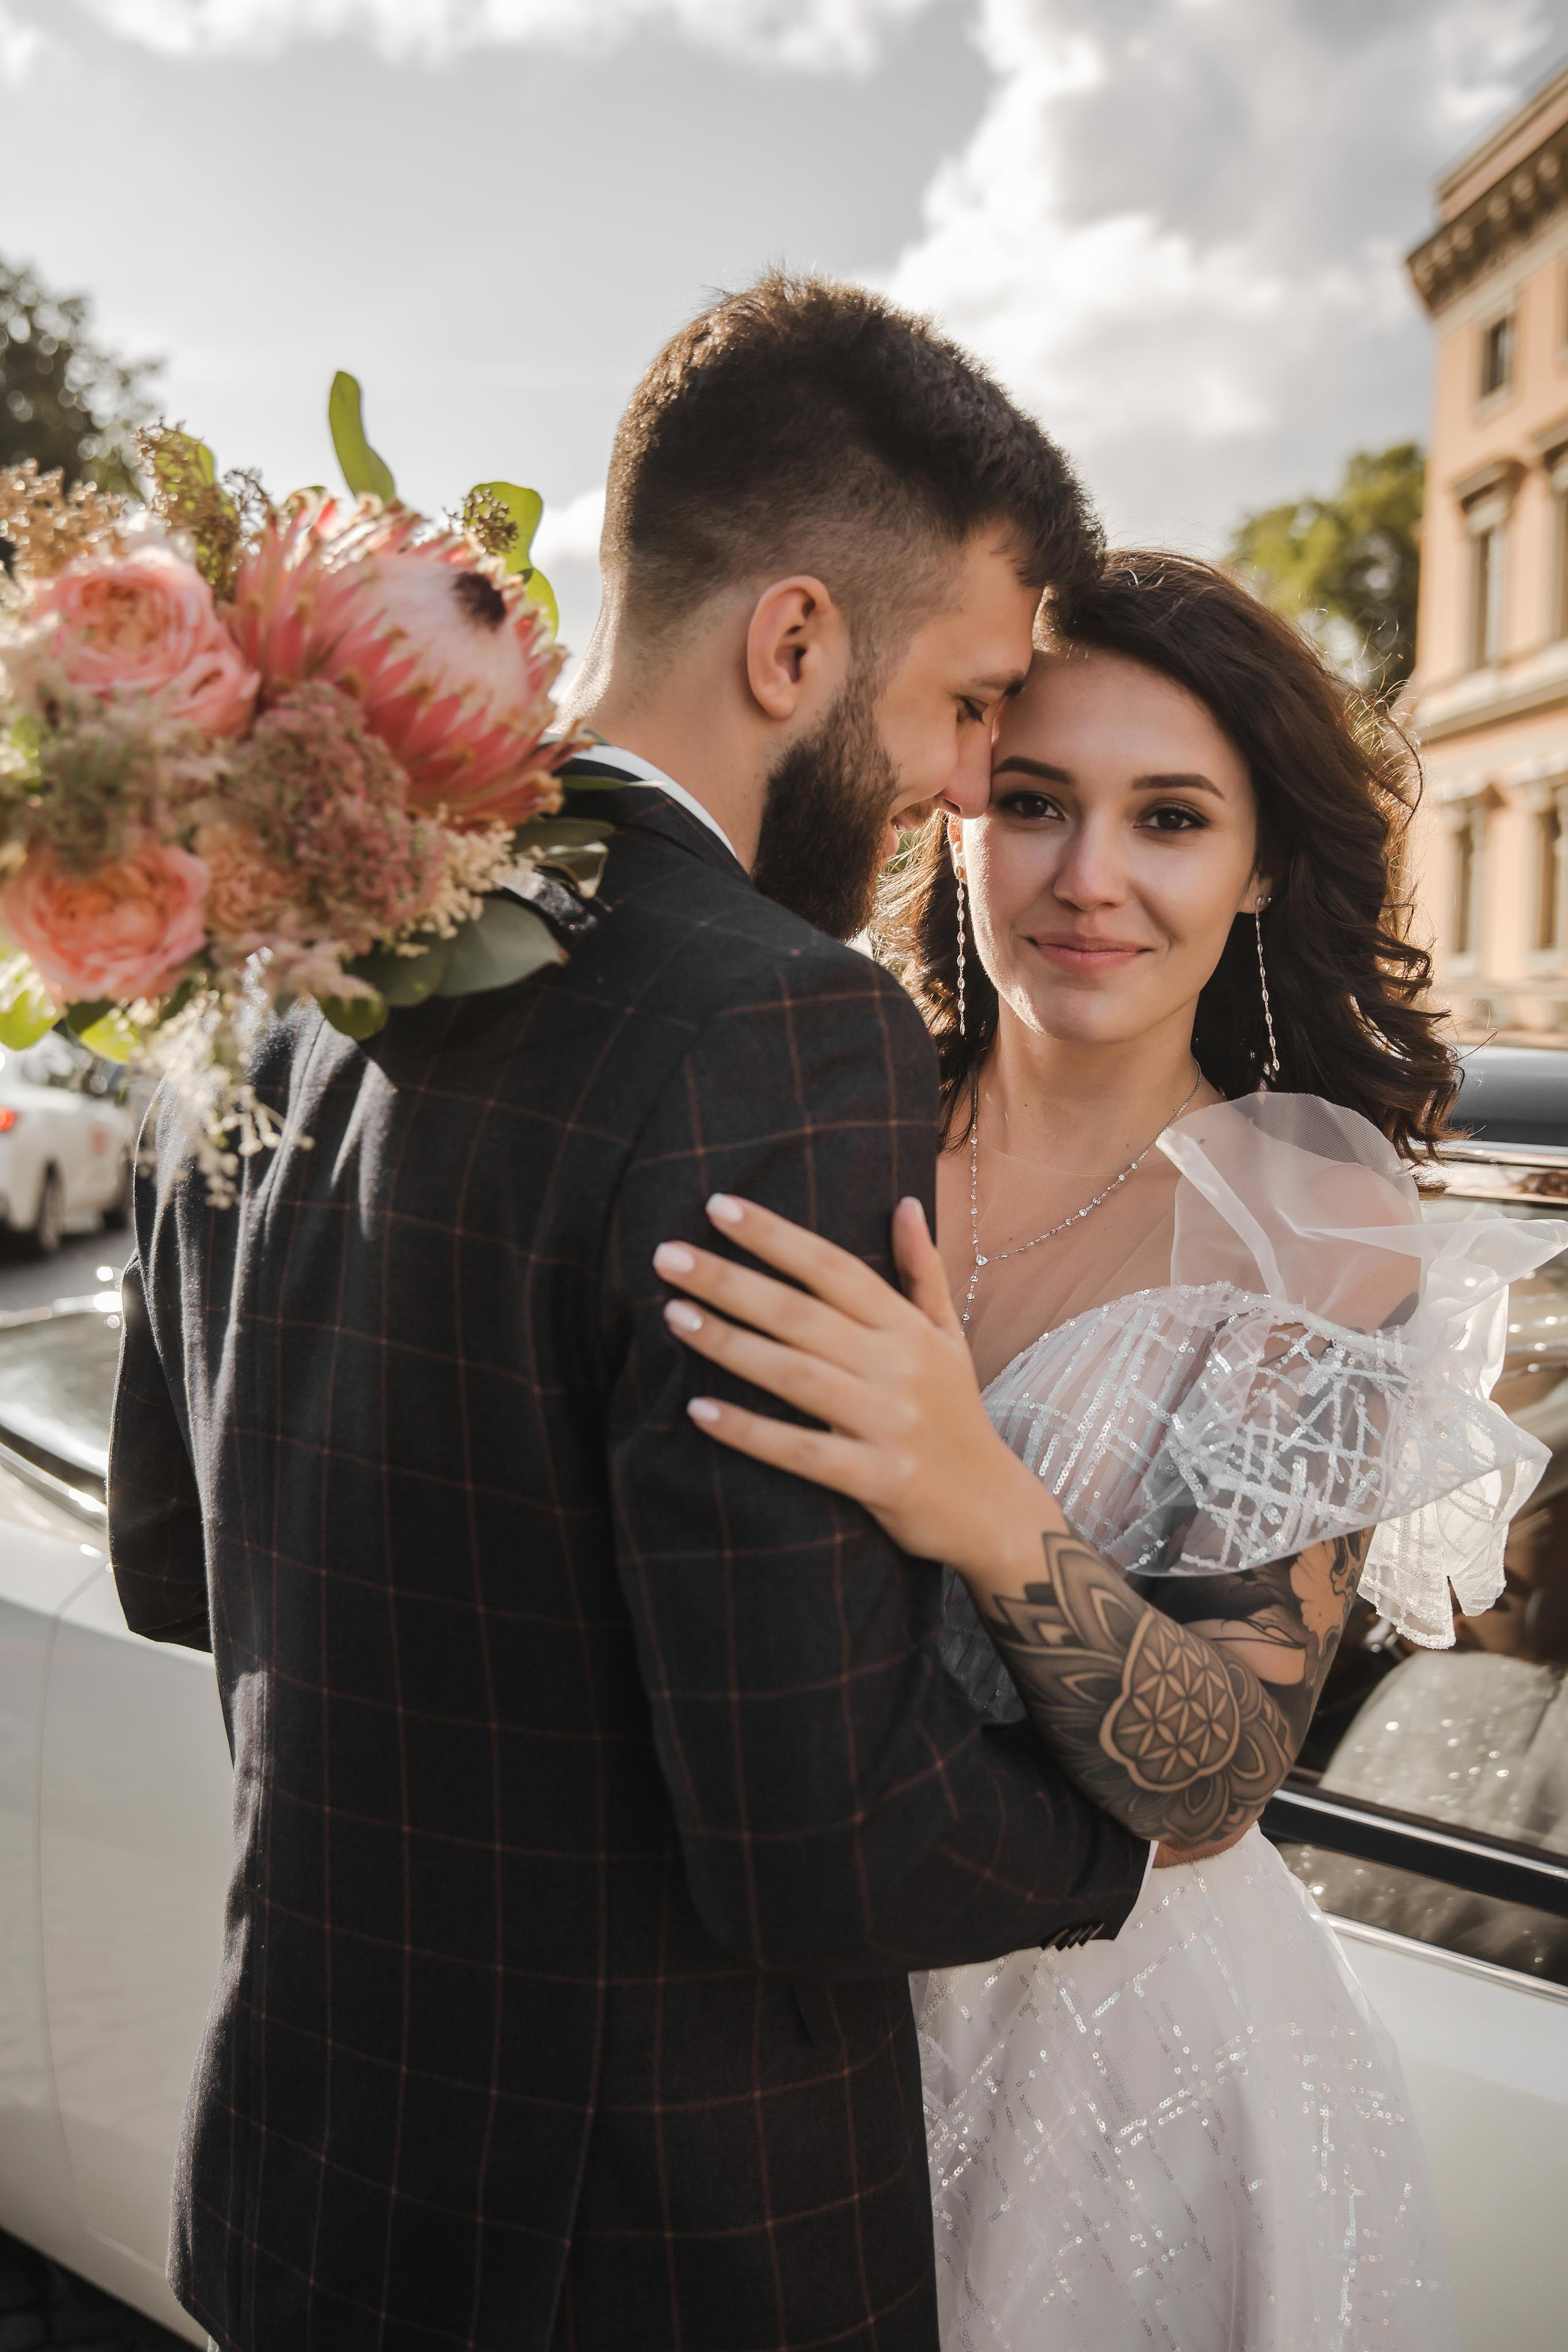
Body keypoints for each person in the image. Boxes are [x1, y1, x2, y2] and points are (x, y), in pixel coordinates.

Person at [106, 274, 1167, 2352]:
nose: (973, 788)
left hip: (307, 2197)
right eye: (967, 705)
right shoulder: (778, 1024)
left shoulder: (276, 941)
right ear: (795, 641)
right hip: (647, 2264)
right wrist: (1129, 1840)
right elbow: (822, 1838)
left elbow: (174, 1558)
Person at [655, 551, 1566, 2349]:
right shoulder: (825, 1113)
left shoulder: (1312, 1213)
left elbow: (1219, 1771)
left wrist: (975, 1495)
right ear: (955, 821)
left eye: (1168, 819)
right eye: (1033, 803)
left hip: (1124, 2083)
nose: (1089, 879)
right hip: (763, 2037)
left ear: (1260, 868)